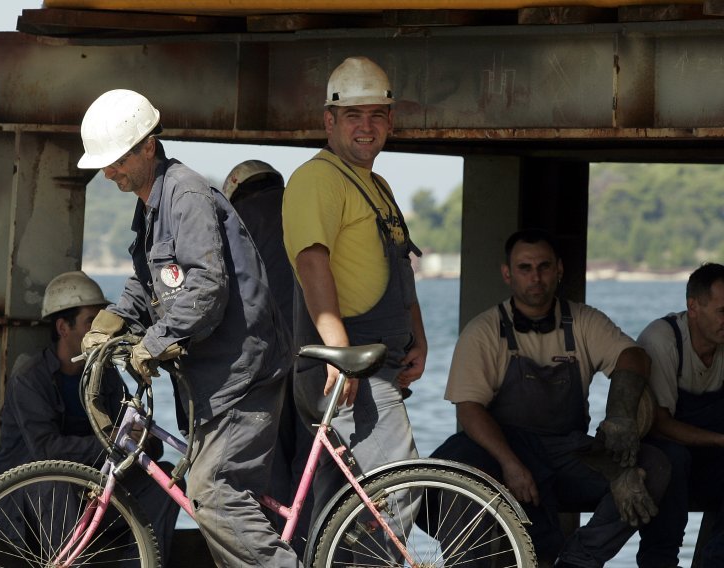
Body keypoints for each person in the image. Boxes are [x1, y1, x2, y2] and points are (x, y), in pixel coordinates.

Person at [76, 89, 301, 567]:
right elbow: (149, 282)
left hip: (244, 373)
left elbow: (206, 287)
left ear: (147, 147)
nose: (109, 171)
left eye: (117, 160)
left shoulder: (186, 195)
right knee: (216, 505)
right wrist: (114, 321)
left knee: (214, 494)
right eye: (105, 163)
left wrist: (154, 343)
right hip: (215, 380)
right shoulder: (152, 206)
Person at [430, 228, 669, 567]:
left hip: (568, 451)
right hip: (505, 452)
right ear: (507, 274)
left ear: (558, 270)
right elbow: (469, 409)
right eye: (525, 268)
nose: (536, 277)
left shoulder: (584, 321)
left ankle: (579, 558)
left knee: (655, 466)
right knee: (460, 485)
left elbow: (634, 356)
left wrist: (620, 418)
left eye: (543, 267)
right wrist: (511, 464)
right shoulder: (483, 331)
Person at [281, 55, 428, 546]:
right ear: (329, 121)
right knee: (399, 488)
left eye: (377, 115)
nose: (367, 127)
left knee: (335, 504)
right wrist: (341, 354)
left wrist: (418, 340)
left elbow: (399, 268)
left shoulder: (378, 186)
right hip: (347, 367)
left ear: (390, 120)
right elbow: (313, 262)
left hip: (375, 362)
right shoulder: (317, 179)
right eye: (353, 116)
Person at [0, 270, 179, 562]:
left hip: (90, 488)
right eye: (91, 321)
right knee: (55, 480)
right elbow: (46, 449)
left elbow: (129, 434)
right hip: (29, 502)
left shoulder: (103, 375)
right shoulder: (29, 379)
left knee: (167, 480)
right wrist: (113, 441)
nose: (99, 330)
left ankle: (142, 561)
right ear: (63, 327)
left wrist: (144, 441)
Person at [223, 159, 313, 549]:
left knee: (269, 466)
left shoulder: (234, 218)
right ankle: (315, 547)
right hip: (317, 356)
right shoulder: (303, 210)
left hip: (266, 363)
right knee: (311, 467)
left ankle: (278, 552)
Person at [637, 262, 724, 567]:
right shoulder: (662, 339)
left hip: (710, 456)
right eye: (722, 311)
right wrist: (719, 439)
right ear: (693, 307)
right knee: (672, 461)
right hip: (663, 452)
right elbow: (659, 424)